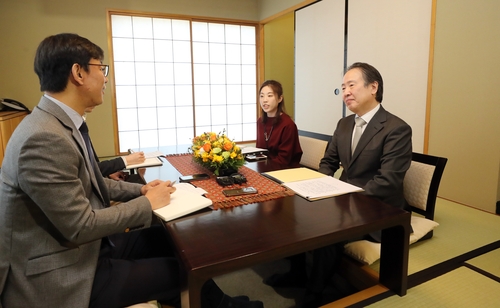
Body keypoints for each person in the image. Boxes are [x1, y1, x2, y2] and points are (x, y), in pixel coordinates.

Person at [0, 33, 262, 308]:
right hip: (64, 272)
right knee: (180, 271)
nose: (105, 78)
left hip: (86, 250)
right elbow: (80, 226)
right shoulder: (43, 137)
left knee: (167, 239)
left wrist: (142, 189)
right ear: (78, 72)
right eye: (101, 68)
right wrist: (147, 203)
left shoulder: (60, 124)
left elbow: (93, 183)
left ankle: (224, 303)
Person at [267, 62, 413, 307]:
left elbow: (388, 181)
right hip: (345, 197)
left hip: (378, 206)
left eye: (351, 85)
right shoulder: (344, 124)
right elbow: (328, 162)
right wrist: (317, 186)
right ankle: (297, 272)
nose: (345, 92)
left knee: (329, 229)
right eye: (343, 87)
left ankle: (314, 293)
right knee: (292, 210)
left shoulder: (396, 128)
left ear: (373, 87)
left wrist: (342, 197)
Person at [256, 80, 302, 166]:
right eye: (261, 96)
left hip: (284, 170)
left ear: (280, 99)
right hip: (265, 168)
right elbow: (259, 152)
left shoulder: (288, 124)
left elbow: (284, 160)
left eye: (269, 96)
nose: (264, 100)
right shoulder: (260, 121)